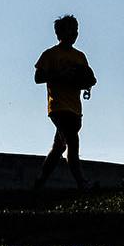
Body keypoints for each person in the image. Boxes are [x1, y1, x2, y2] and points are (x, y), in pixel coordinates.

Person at [32, 15, 93, 190]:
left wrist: (88, 81)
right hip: (58, 106)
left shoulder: (80, 56)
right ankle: (82, 183)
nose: (74, 34)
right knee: (73, 142)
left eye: (76, 30)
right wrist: (60, 74)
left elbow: (88, 79)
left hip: (75, 107)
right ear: (60, 33)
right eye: (70, 30)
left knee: (59, 147)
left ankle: (40, 182)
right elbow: (38, 77)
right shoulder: (50, 54)